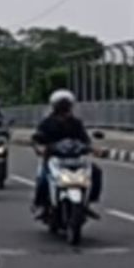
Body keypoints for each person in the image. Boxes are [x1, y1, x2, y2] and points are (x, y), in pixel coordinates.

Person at [31, 90, 103, 218]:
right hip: (54, 158)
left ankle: (88, 202)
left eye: (66, 104)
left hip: (75, 159)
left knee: (96, 172)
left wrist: (94, 149)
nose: (64, 108)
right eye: (61, 105)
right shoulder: (47, 122)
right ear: (55, 106)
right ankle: (40, 205)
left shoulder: (76, 123)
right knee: (43, 179)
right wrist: (39, 148)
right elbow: (38, 138)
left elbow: (85, 139)